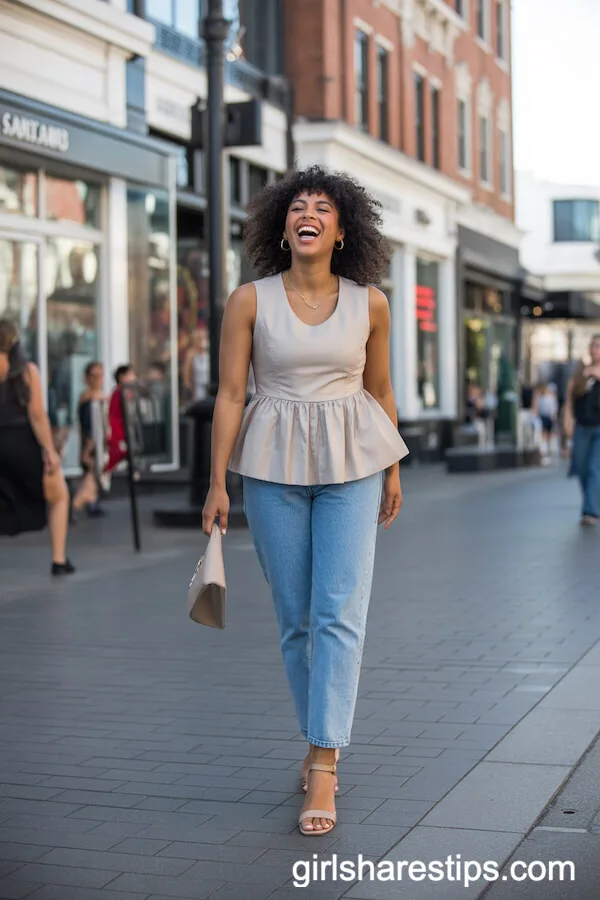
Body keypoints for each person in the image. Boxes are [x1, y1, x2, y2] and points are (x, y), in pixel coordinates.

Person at [201, 166, 409, 836]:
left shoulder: (369, 302)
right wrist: (216, 484)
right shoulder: (249, 301)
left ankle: (324, 761)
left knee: (338, 613)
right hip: (271, 464)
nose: (308, 213)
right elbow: (231, 395)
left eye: (322, 206)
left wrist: (395, 467)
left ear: (342, 230)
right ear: (283, 228)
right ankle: (319, 733)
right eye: (297, 206)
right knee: (296, 619)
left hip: (354, 463)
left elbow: (379, 390)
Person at [0, 320, 75, 575]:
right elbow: (38, 415)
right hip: (22, 443)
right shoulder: (27, 371)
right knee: (59, 495)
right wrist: (50, 451)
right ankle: (59, 559)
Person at [564, 334, 600, 526]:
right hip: (582, 426)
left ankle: (591, 511)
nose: (595, 349)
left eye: (599, 346)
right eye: (593, 345)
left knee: (596, 468)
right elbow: (569, 399)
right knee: (581, 467)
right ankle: (592, 501)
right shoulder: (580, 372)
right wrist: (567, 422)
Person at [72, 361, 106, 517]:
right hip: (91, 447)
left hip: (97, 446)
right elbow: (90, 427)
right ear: (87, 378)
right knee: (90, 479)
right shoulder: (89, 400)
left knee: (92, 479)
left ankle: (91, 504)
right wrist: (87, 449)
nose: (98, 379)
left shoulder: (97, 397)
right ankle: (72, 507)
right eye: (94, 376)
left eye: (100, 375)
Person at [105, 364, 137, 475]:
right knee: (118, 454)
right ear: (122, 377)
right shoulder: (121, 392)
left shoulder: (122, 392)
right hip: (118, 430)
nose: (134, 377)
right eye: (131, 374)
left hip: (121, 428)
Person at [183, 326, 210, 403]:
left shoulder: (210, 353)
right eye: (199, 339)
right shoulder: (191, 354)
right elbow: (186, 375)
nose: (202, 341)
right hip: (197, 391)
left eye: (204, 338)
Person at [533, 382, 558, 460]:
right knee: (545, 433)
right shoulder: (543, 397)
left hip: (547, 417)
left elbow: (553, 408)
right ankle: (545, 448)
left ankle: (546, 447)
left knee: (547, 433)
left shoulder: (548, 397)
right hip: (545, 417)